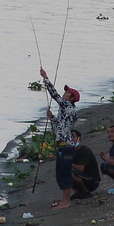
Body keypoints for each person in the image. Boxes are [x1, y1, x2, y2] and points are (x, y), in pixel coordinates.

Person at [40, 67, 80, 210]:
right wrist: (52, 118)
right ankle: (65, 199)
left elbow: (54, 94)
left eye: (68, 92)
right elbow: (62, 125)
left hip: (66, 147)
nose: (65, 92)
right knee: (61, 173)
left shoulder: (67, 105)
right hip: (64, 146)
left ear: (71, 97)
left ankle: (66, 202)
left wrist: (45, 77)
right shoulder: (67, 109)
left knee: (64, 173)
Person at [71, 130, 101, 199]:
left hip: (92, 181)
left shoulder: (84, 150)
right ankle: (78, 191)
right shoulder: (72, 152)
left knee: (71, 173)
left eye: (73, 137)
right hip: (83, 177)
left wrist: (69, 164)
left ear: (79, 138)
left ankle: (85, 191)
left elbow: (81, 168)